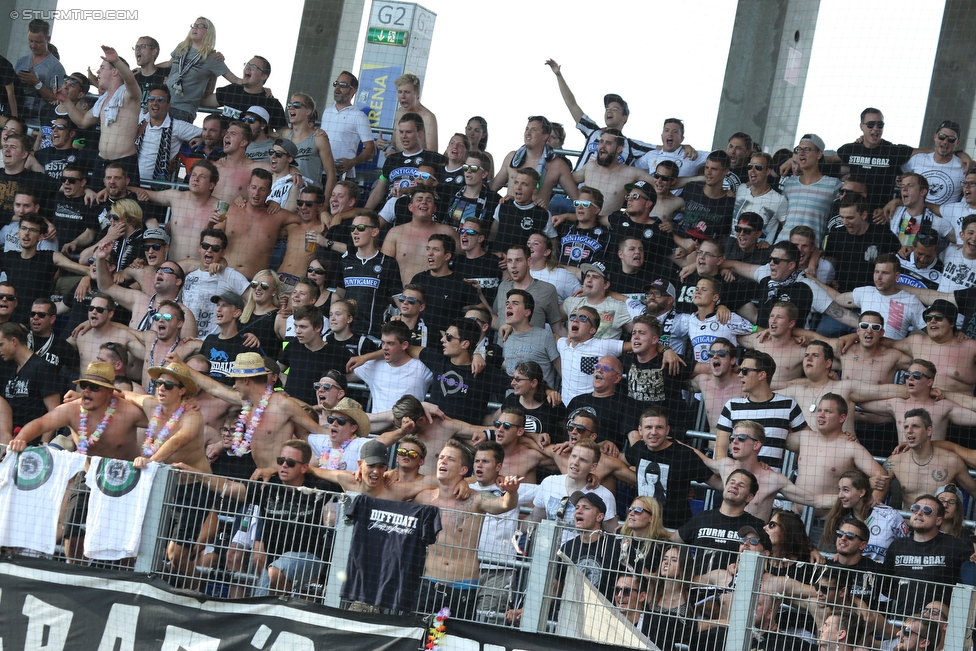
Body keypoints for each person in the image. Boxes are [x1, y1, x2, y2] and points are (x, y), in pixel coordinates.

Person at [414, 439, 523, 619]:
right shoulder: (424, 497)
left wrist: (512, 492)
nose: (443, 461)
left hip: (462, 587)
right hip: (429, 582)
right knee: (423, 641)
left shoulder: (477, 498)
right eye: (441, 457)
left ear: (463, 470)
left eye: (450, 459)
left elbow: (504, 504)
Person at [59, 46, 142, 188]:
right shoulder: (102, 100)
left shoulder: (129, 95)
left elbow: (130, 81)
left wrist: (116, 60)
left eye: (102, 67)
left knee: (124, 209)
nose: (98, 71)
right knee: (97, 205)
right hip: (101, 162)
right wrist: (65, 101)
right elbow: (82, 122)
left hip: (124, 162)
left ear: (115, 71)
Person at [882, 494, 972, 617]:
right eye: (915, 508)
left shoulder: (955, 546)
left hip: (937, 627)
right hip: (902, 624)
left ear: (938, 520)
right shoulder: (897, 546)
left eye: (927, 511)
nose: (919, 513)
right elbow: (886, 586)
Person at [624, 406, 715, 528]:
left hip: (673, 530)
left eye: (659, 427)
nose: (654, 432)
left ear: (667, 430)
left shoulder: (684, 454)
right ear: (640, 430)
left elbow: (716, 482)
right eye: (648, 427)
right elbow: (619, 462)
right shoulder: (639, 448)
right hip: (643, 526)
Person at [716, 350, 807, 469]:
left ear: (762, 375)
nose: (739, 375)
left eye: (745, 371)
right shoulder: (732, 405)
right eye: (739, 371)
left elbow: (809, 442)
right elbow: (719, 454)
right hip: (738, 481)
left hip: (772, 484)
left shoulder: (788, 405)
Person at [673, 469, 769, 575]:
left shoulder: (756, 525)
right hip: (696, 587)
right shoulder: (703, 517)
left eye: (741, 485)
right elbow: (671, 541)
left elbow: (768, 557)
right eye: (732, 482)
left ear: (749, 497)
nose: (734, 486)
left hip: (731, 589)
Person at [879, 409, 976, 507]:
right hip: (908, 521)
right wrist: (871, 482)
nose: (909, 431)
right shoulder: (895, 461)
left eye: (915, 426)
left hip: (938, 521)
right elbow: (875, 491)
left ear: (929, 430)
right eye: (906, 427)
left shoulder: (952, 462)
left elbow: (974, 491)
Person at [490, 116, 578, 209]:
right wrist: (503, 202)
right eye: (527, 129)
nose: (527, 133)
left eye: (534, 130)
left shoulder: (558, 165)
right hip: (508, 217)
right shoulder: (511, 158)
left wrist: (567, 217)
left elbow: (577, 198)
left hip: (537, 219)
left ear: (545, 136)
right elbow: (492, 188)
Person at [164, 18, 242, 122]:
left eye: (200, 26)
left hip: (182, 110)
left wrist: (259, 86)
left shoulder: (212, 58)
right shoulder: (181, 47)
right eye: (194, 25)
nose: (195, 27)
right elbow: (169, 64)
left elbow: (235, 80)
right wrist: (142, 69)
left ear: (208, 33)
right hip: (163, 104)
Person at [347, 320, 433, 413]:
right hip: (377, 426)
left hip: (410, 425)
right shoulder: (373, 365)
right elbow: (346, 376)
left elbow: (442, 369)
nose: (384, 347)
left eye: (390, 343)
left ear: (404, 345)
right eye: (383, 342)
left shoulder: (421, 367)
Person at [366, 112, 445, 210]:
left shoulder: (434, 158)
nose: (404, 136)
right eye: (401, 132)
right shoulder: (392, 159)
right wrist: (366, 211)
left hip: (417, 211)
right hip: (389, 211)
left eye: (408, 132)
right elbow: (378, 191)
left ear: (420, 133)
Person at [0, 320, 62, 444]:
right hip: (7, 439)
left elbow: (55, 412)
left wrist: (42, 445)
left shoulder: (43, 367)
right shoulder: (8, 368)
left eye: (1, 344)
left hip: (32, 442)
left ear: (14, 341)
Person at [180, 229, 249, 338]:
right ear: (199, 248)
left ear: (223, 252)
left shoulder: (229, 274)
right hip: (184, 341)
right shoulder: (188, 274)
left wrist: (247, 330)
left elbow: (254, 299)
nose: (209, 250)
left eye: (215, 248)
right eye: (205, 246)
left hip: (211, 344)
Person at [135, 85, 201, 183]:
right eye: (151, 99)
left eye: (160, 100)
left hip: (156, 188)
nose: (155, 103)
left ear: (168, 106)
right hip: (130, 182)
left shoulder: (177, 126)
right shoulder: (139, 116)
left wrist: (202, 139)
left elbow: (210, 133)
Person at [279, 93, 336, 199]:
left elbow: (331, 174)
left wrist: (325, 203)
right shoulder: (286, 135)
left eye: (296, 105)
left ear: (308, 111)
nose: (291, 107)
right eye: (289, 105)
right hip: (285, 198)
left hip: (310, 200)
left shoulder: (319, 138)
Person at [320, 71, 376, 180]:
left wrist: (351, 162)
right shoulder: (327, 112)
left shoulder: (359, 116)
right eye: (336, 84)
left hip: (342, 176)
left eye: (343, 85)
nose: (337, 88)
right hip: (320, 172)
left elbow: (371, 149)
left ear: (353, 90)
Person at [527, 230, 580, 303]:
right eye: (528, 243)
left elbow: (581, 301)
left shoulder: (562, 275)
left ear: (546, 252)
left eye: (536, 243)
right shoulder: (519, 272)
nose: (529, 246)